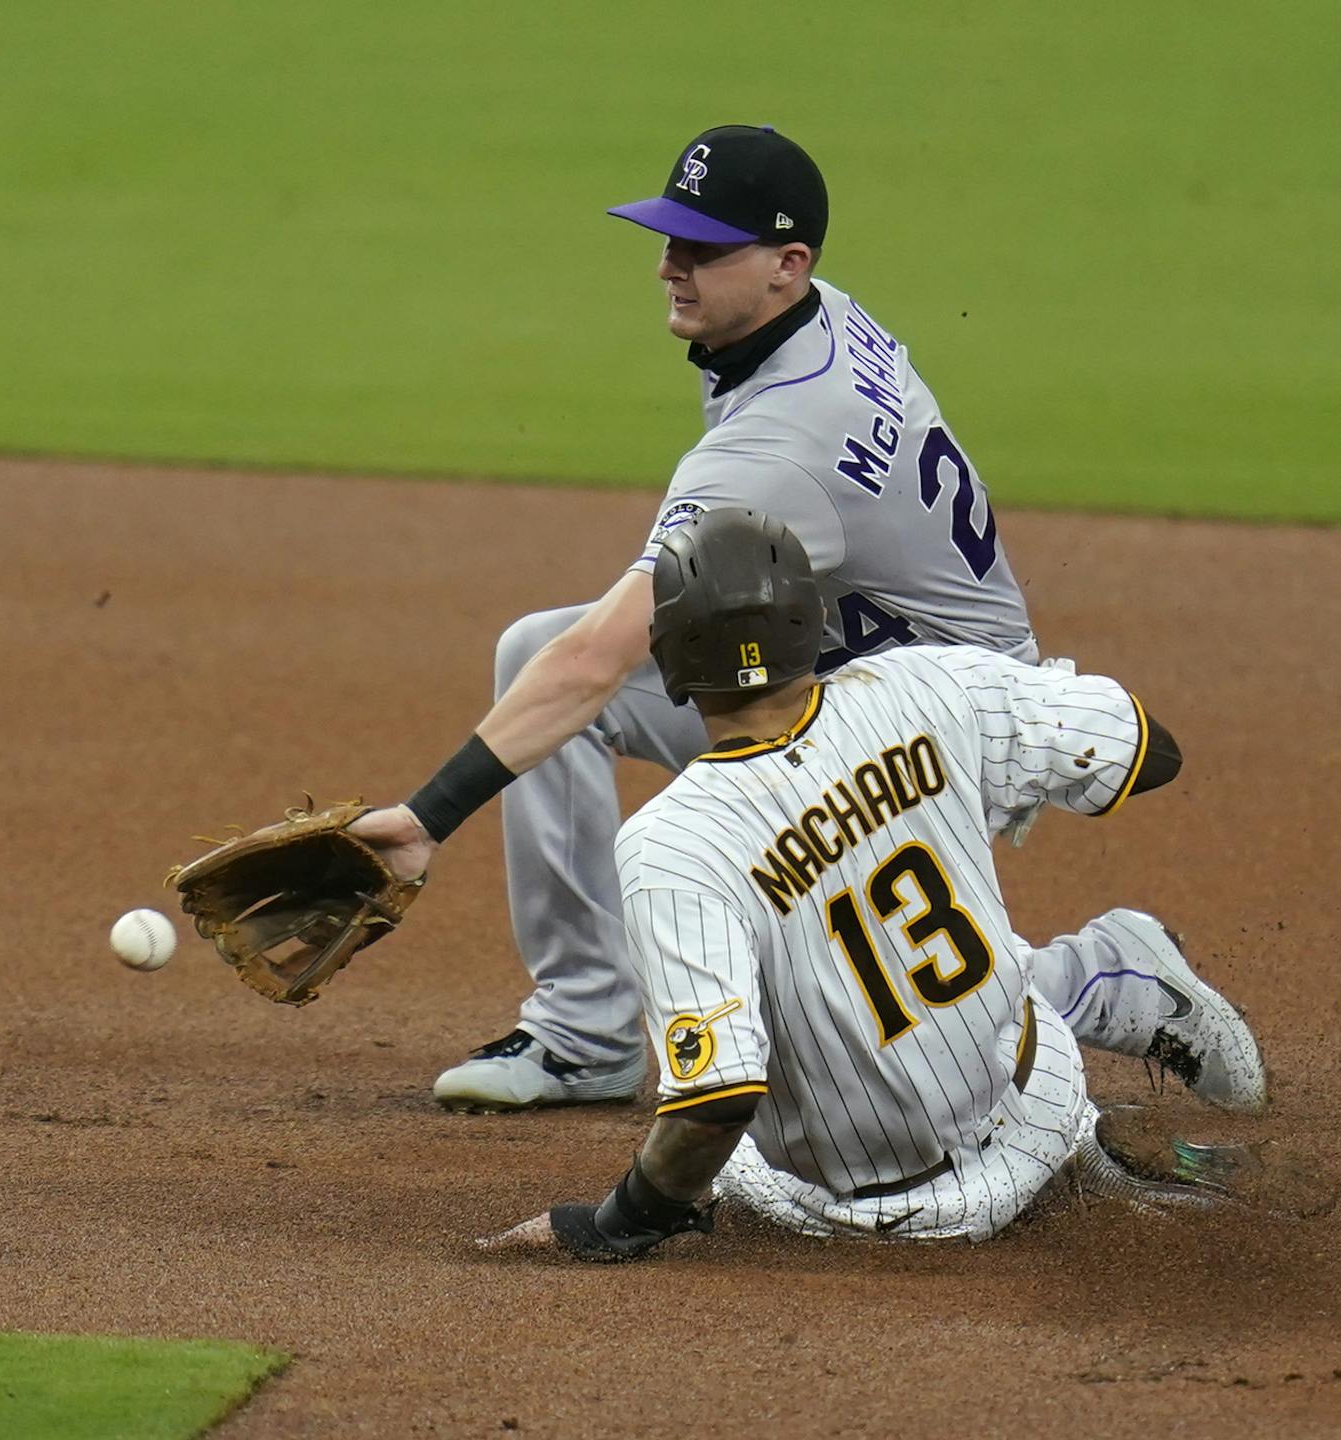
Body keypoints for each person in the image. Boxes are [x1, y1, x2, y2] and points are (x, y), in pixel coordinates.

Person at [351, 124, 1045, 1110]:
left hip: (948, 738)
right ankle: (587, 1031)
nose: (670, 267)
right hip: (902, 677)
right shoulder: (817, 320)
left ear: (785, 264)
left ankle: (1098, 979)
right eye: (668, 237)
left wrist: (427, 818)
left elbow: (599, 657)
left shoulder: (778, 444)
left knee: (836, 988)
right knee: (532, 654)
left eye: (703, 249)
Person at [480, 509, 1276, 1258]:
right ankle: (1102, 1139)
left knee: (740, 1145)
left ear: (670, 662)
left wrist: (615, 1225)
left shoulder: (672, 844)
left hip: (889, 1216)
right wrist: (918, 797)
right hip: (1045, 1097)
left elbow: (712, 1103)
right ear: (807, 624)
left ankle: (1098, 1110)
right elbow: (1149, 753)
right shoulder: (925, 687)